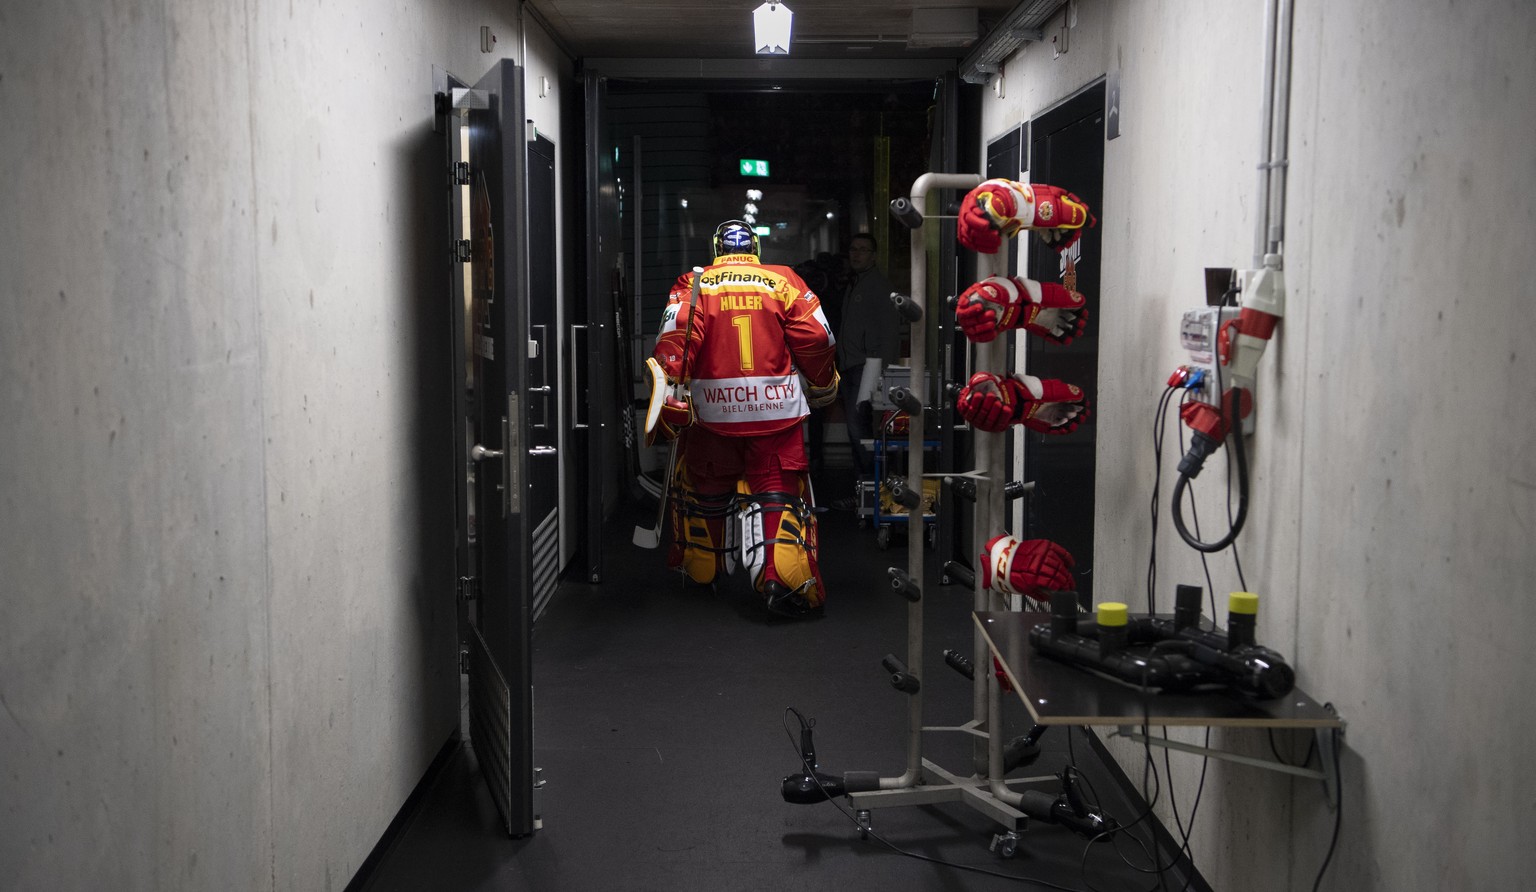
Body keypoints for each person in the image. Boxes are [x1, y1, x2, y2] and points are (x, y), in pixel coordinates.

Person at [647, 220, 840, 619]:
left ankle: (705, 569)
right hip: (776, 414)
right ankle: (780, 580)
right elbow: (817, 339)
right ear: (755, 248)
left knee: (707, 489)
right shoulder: (783, 279)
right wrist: (823, 383)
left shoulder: (696, 282)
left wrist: (672, 392)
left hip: (712, 414)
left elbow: (676, 338)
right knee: (778, 494)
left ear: (717, 247)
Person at [832, 233, 900, 510]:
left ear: (873, 255)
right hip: (851, 367)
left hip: (867, 368)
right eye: (853, 249)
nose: (857, 254)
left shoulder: (877, 286)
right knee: (856, 431)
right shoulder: (854, 284)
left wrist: (881, 369)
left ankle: (872, 492)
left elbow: (888, 332)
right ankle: (865, 491)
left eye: (863, 250)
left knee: (860, 431)